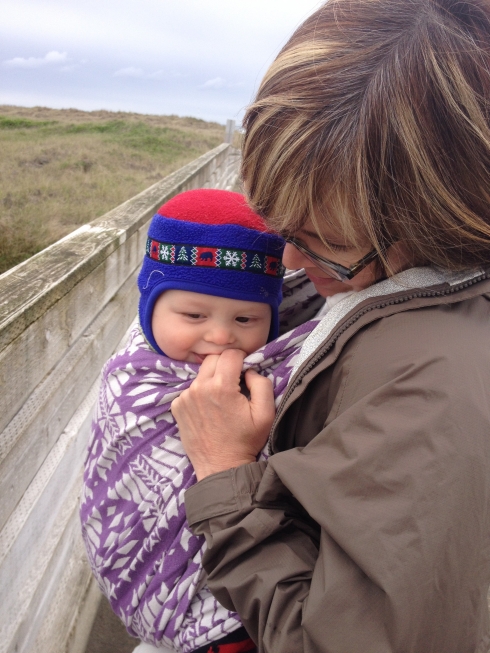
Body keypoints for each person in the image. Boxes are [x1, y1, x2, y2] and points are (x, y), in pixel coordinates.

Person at [172, 0, 490, 651]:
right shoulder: (412, 289)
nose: (289, 259)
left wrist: (225, 479)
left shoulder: (435, 398)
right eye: (282, 228)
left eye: (320, 241)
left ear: (439, 216)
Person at [80, 189, 329, 653]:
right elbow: (113, 481)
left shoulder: (271, 373)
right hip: (145, 579)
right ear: (150, 307)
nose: (219, 335)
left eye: (246, 317)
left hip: (233, 615)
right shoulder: (134, 379)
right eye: (193, 314)